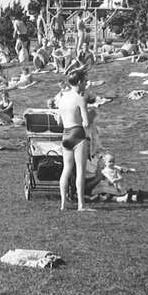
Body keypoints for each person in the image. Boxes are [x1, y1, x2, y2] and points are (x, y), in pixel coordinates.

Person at [57, 70, 92, 211]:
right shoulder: (80, 98)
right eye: (84, 81)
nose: (86, 84)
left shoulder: (62, 97)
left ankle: (63, 203)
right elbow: (86, 122)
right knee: (80, 171)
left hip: (65, 134)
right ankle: (81, 204)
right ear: (78, 82)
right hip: (77, 133)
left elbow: (59, 120)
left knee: (66, 169)